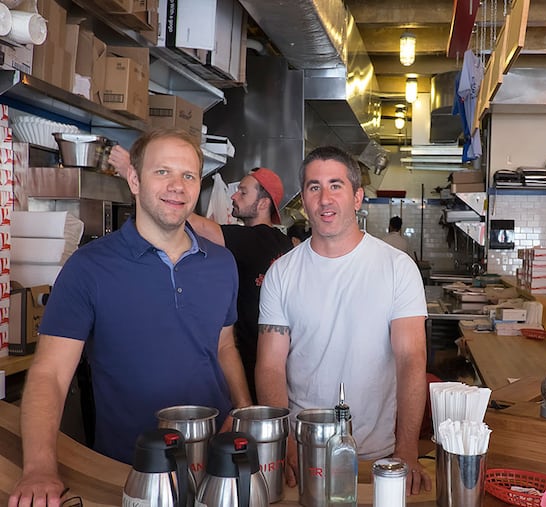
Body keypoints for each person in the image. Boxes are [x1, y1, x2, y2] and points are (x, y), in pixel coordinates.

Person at [8, 129, 252, 507]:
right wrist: (39, 468)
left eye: (188, 176)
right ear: (135, 179)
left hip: (215, 471)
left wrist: (243, 417)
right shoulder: (88, 268)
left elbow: (223, 347)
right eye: (162, 172)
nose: (177, 186)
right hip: (124, 472)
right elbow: (50, 374)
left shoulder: (221, 264)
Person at [255, 146, 431, 496]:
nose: (324, 198)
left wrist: (408, 448)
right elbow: (270, 366)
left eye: (336, 185)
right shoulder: (282, 274)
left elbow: (411, 360)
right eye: (313, 187)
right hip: (303, 455)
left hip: (376, 454)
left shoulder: (397, 268)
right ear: (303, 199)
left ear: (357, 197)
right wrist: (287, 440)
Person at [110, 145, 292, 400]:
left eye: (242, 191)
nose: (233, 197)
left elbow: (198, 226)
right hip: (264, 357)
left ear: (263, 203)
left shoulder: (253, 239)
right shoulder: (281, 241)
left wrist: (138, 176)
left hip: (247, 361)